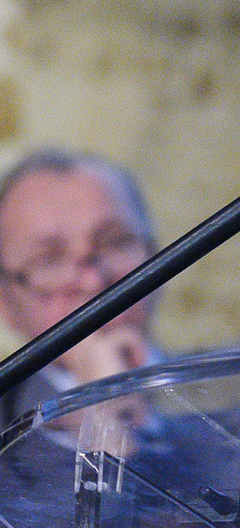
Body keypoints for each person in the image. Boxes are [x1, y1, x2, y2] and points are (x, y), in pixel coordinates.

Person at [0, 147, 157, 426]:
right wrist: (106, 411)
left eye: (116, 242)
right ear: (4, 301)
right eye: (49, 260)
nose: (93, 281)